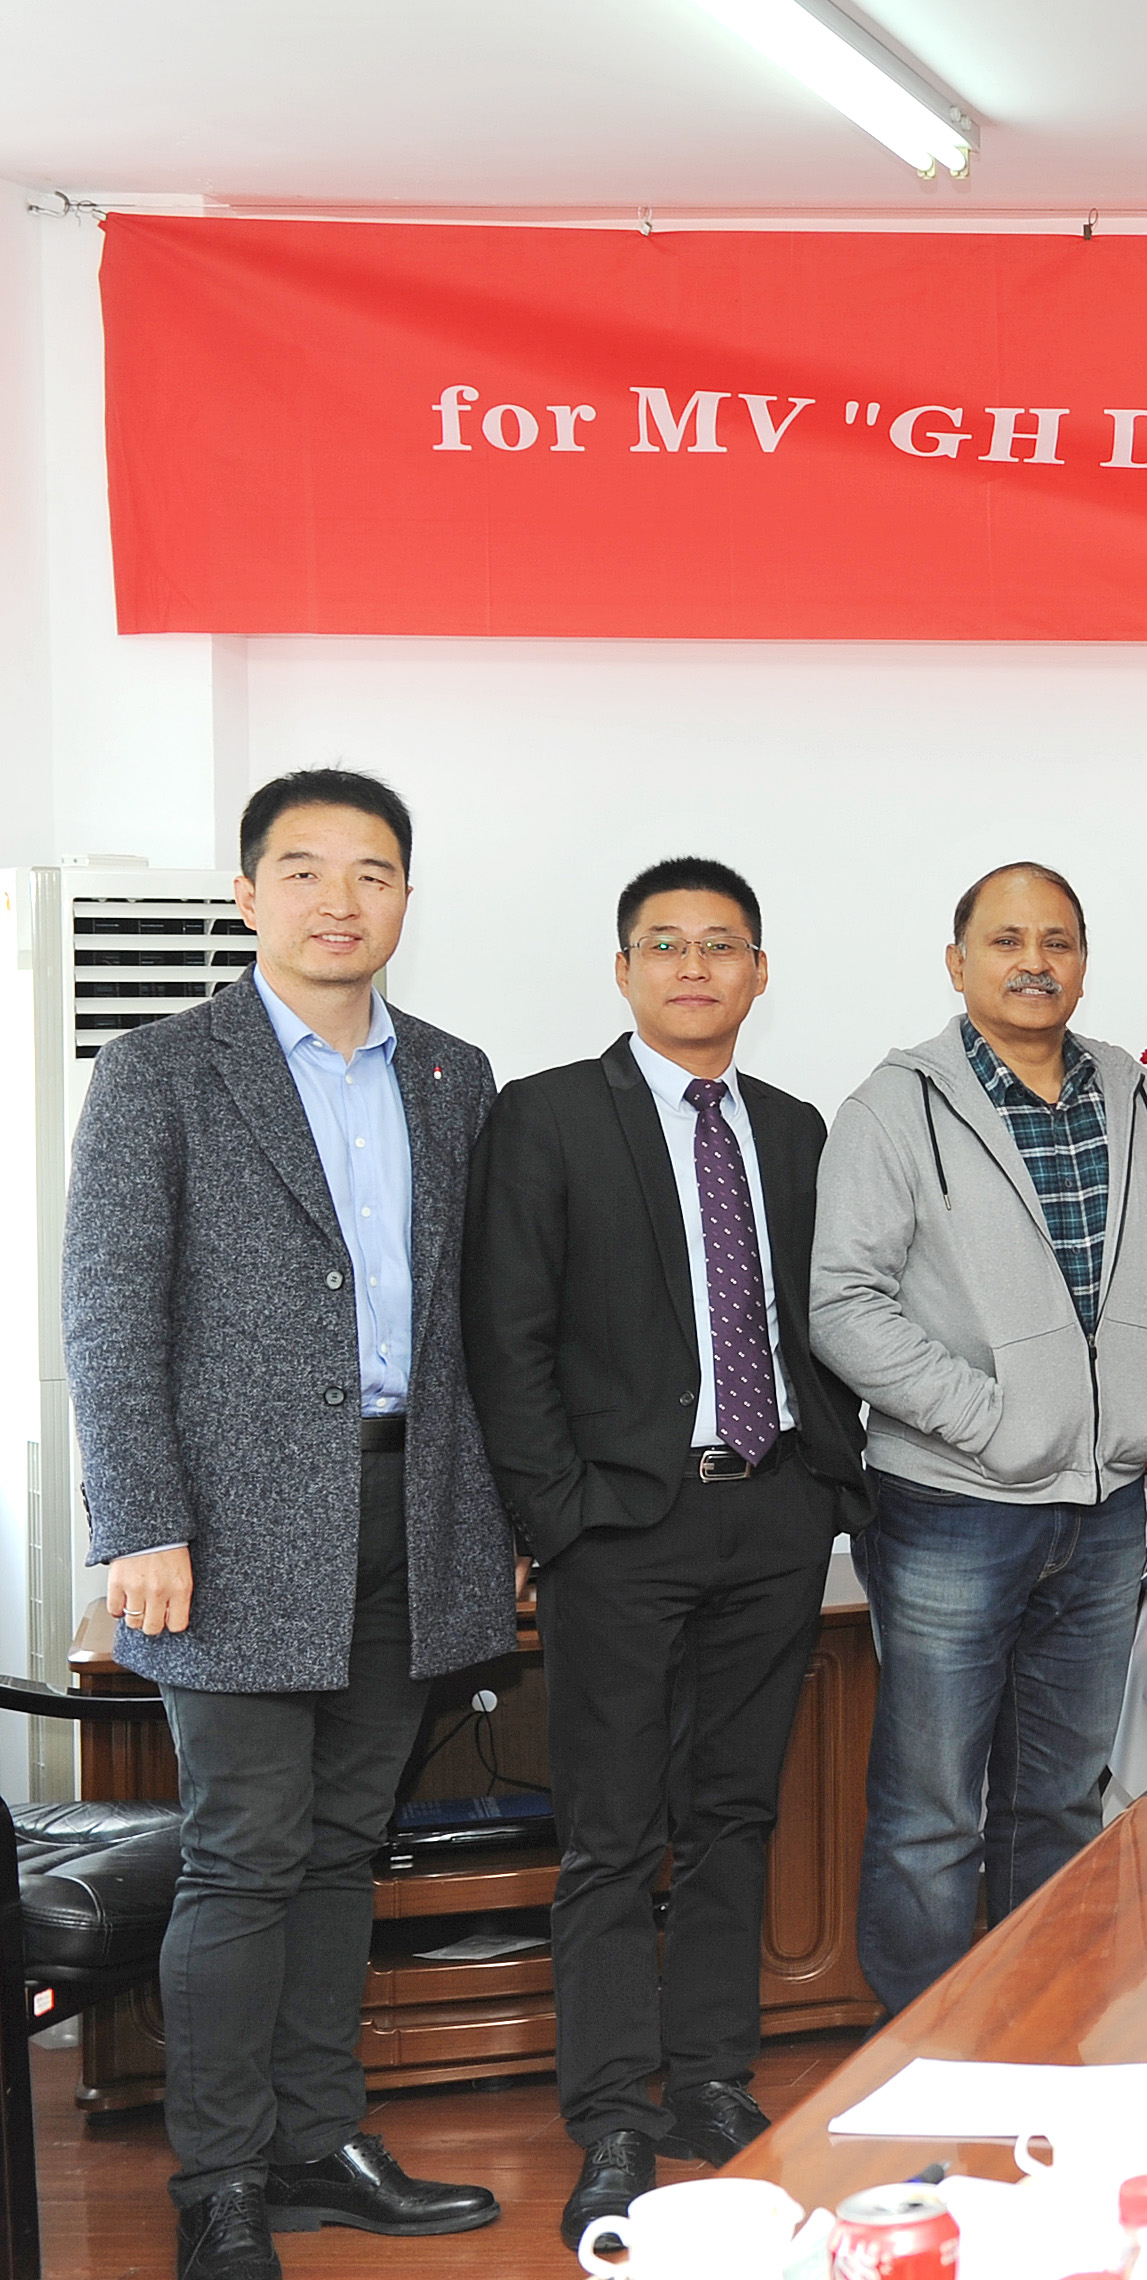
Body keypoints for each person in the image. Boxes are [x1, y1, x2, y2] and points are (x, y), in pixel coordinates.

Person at [63, 770, 508, 2280]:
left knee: (340, 1848)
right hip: (230, 1528)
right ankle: (220, 2180)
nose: (340, 900)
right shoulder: (161, 1070)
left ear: (405, 899)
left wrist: (496, 1516)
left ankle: (320, 2144)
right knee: (245, 1853)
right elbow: (109, 1312)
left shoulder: (454, 1075)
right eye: (304, 870)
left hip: (416, 1507)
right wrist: (142, 1519)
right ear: (249, 895)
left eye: (372, 872)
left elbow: (478, 1317)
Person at [463, 858, 870, 2241]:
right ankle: (611, 2116)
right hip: (620, 1527)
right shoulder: (548, 1117)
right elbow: (507, 1336)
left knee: (735, 1815)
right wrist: (559, 1518)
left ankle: (707, 2081)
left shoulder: (795, 1128)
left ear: (759, 973)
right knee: (611, 1832)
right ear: (624, 969)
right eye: (666, 945)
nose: (695, 968)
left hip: (773, 1509)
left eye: (721, 946)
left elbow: (826, 1317)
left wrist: (828, 1485)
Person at [809, 861, 1147, 2014]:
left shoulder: (1134, 1094)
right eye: (1008, 939)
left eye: (1058, 941)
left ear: (1083, 961)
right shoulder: (894, 1108)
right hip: (950, 1510)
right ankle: (926, 2053)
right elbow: (843, 1306)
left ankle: (1047, 2030)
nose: (1035, 961)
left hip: (1105, 1507)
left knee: (1062, 1799)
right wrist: (992, 1421)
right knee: (934, 1812)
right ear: (958, 960)